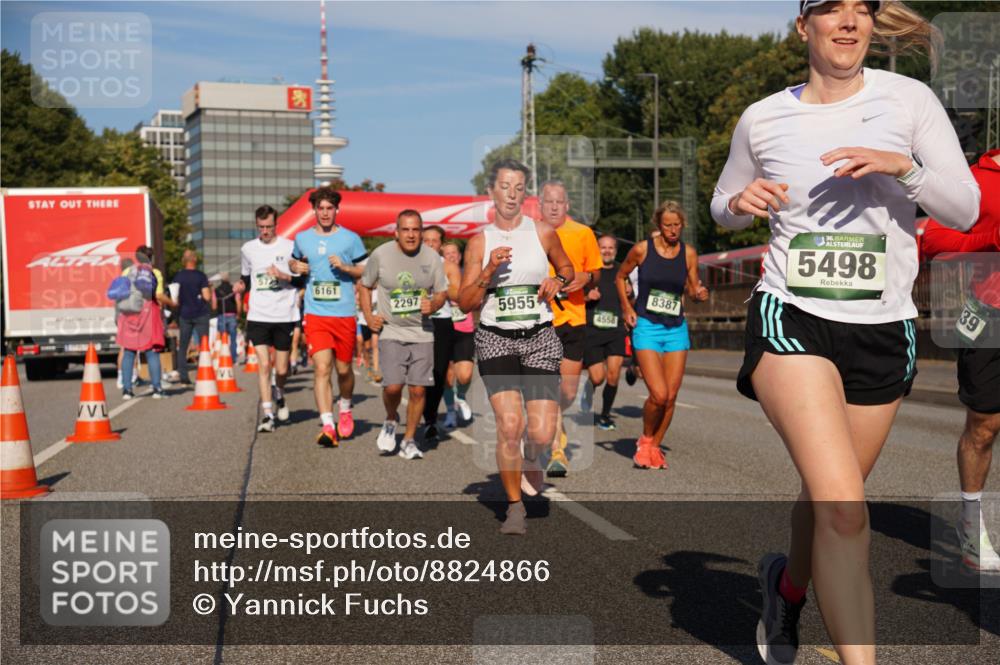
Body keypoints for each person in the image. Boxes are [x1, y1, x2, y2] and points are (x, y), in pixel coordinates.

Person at [711, 2, 980, 663]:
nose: (849, 21)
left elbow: (967, 208)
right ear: (804, 26)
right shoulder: (764, 117)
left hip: (882, 327)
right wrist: (739, 206)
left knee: (834, 498)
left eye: (862, 8)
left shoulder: (909, 101)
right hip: (792, 315)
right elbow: (722, 206)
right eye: (832, 9)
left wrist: (903, 168)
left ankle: (787, 586)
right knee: (843, 512)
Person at [457, 159, 574, 535]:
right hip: (495, 337)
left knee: (540, 433)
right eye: (505, 186)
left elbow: (568, 270)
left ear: (526, 193)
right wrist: (488, 271)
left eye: (519, 187)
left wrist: (557, 280)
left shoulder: (542, 232)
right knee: (510, 426)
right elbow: (464, 302)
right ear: (492, 191)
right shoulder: (479, 241)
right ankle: (514, 509)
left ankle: (532, 459)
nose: (511, 193)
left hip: (539, 336)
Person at [923, 148, 1000, 572]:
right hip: (991, 316)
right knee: (984, 428)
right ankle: (972, 527)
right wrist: (989, 240)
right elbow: (934, 239)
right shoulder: (976, 178)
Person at [618, 203, 708, 468]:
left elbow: (692, 289)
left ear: (683, 225)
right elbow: (620, 277)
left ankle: (654, 446)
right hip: (646, 326)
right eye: (667, 225)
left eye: (676, 225)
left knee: (670, 395)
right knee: (657, 393)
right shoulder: (642, 249)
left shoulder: (689, 253)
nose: (672, 230)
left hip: (676, 328)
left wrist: (699, 294)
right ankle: (646, 439)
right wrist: (626, 308)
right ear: (659, 225)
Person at [359, 210, 448, 460]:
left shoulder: (432, 257)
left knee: (418, 390)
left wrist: (435, 304)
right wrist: (368, 316)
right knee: (393, 386)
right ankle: (390, 418)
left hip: (422, 331)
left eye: (416, 230)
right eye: (406, 229)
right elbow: (365, 286)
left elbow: (441, 292)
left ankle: (408, 440)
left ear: (421, 232)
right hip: (391, 331)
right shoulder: (381, 254)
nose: (411, 235)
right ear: (396, 232)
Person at [289, 188, 369, 447]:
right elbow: (293, 263)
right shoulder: (302, 238)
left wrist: (346, 268)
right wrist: (295, 267)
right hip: (316, 313)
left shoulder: (351, 239)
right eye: (320, 208)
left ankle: (344, 407)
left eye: (329, 208)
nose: (325, 213)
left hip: (344, 313)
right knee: (322, 368)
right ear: (314, 210)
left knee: (343, 370)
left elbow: (367, 272)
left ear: (337, 210)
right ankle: (327, 424)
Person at [537, 180, 602, 478]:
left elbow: (597, 271)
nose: (553, 206)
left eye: (558, 201)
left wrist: (586, 277)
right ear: (540, 204)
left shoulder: (582, 233)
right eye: (548, 201)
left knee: (567, 389)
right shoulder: (531, 234)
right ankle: (556, 448)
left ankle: (554, 420)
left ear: (567, 205)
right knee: (547, 386)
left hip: (573, 319)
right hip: (541, 320)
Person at [234, 205, 299, 432]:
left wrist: (282, 275)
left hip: (284, 314)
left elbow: (301, 279)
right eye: (261, 227)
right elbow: (246, 278)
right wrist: (241, 286)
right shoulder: (248, 249)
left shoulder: (290, 247)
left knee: (281, 370)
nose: (265, 231)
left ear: (276, 225)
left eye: (269, 227)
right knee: (264, 365)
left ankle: (279, 393)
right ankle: (267, 414)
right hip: (258, 314)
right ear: (256, 226)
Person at [582, 234, 630, 430]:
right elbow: (572, 297)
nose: (607, 251)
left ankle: (605, 415)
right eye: (603, 247)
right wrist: (587, 295)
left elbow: (632, 299)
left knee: (613, 375)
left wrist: (629, 294)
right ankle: (587, 391)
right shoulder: (590, 272)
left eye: (611, 248)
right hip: (592, 331)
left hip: (616, 330)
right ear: (597, 249)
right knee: (597, 377)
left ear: (616, 251)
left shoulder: (622, 273)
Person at [118, 246, 176, 399]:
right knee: (152, 352)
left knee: (129, 352)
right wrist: (173, 303)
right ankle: (157, 389)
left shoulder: (127, 271)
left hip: (130, 314)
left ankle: (127, 390)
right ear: (151, 258)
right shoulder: (155, 273)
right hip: (149, 314)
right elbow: (158, 296)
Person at [420, 225, 462, 440]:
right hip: (415, 323)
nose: (429, 244)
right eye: (425, 240)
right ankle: (422, 411)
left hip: (442, 323)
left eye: (434, 240)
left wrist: (443, 290)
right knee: (417, 373)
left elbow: (458, 292)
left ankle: (429, 418)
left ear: (441, 244)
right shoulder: (411, 264)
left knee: (437, 373)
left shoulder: (449, 266)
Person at [441, 241, 475, 428]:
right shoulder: (437, 274)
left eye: (455, 253)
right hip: (444, 329)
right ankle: (451, 411)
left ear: (460, 256)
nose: (452, 256)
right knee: (447, 376)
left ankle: (461, 397)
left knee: (465, 375)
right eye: (447, 253)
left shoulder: (468, 275)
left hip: (464, 330)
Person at [171, 249, 213, 386]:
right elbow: (207, 297)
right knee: (204, 345)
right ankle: (204, 374)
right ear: (194, 259)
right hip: (201, 313)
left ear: (184, 260)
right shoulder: (201, 276)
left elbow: (174, 299)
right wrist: (210, 288)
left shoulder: (178, 277)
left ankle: (184, 376)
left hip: (184, 314)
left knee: (183, 346)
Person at [213, 271, 241, 362]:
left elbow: (214, 306)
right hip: (232, 315)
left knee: (222, 338)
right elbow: (238, 303)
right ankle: (233, 358)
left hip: (221, 316)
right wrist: (238, 314)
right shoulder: (234, 289)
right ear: (228, 278)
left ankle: (222, 358)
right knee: (233, 338)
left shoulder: (216, 290)